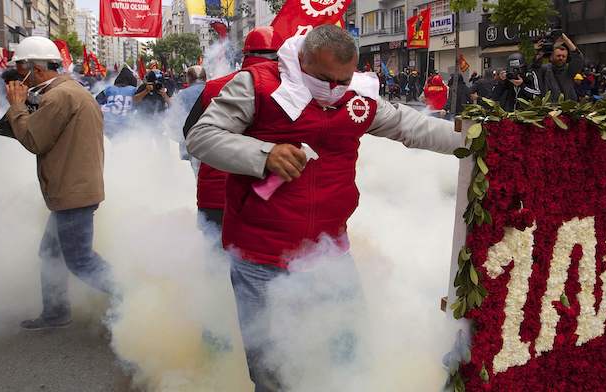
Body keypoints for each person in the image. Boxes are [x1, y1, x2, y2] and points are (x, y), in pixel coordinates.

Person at [186, 25, 461, 392]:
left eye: (342, 80)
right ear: (301, 60)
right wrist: (263, 154)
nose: (334, 89)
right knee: (272, 369)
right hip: (260, 254)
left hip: (328, 252)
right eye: (324, 78)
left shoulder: (357, 97)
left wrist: (478, 138)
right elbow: (201, 137)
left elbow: (409, 127)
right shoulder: (256, 85)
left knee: (347, 350)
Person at [3, 36, 114, 330]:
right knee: (51, 253)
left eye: (20, 70)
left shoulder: (59, 96)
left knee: (81, 261)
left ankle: (137, 300)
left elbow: (34, 139)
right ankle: (55, 311)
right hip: (74, 187)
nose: (17, 78)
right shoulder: (70, 90)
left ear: (36, 70)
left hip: (72, 191)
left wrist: (16, 107)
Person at [181, 26, 281, 234]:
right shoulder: (289, 90)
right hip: (266, 195)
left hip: (215, 194)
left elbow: (190, 132)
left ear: (245, 54)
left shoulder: (213, 87)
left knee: (215, 260)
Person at [538, 33, 585, 102]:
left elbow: (578, 58)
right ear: (551, 56)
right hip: (549, 108)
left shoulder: (570, 71)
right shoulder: (544, 69)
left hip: (568, 107)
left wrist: (565, 39)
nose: (561, 58)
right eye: (558, 55)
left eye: (563, 56)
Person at [95, 67, 139, 139]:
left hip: (108, 123)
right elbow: (141, 104)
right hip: (126, 124)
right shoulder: (133, 90)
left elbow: (97, 101)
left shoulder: (109, 89)